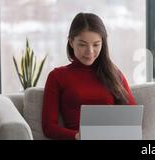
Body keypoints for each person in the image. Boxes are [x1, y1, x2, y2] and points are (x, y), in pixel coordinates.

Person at [42, 12, 136, 140]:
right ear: (71, 42)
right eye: (82, 44)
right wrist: (77, 136)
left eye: (96, 44)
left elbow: (132, 119)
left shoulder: (114, 74)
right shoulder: (57, 76)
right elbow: (48, 127)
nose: (90, 52)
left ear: (103, 43)